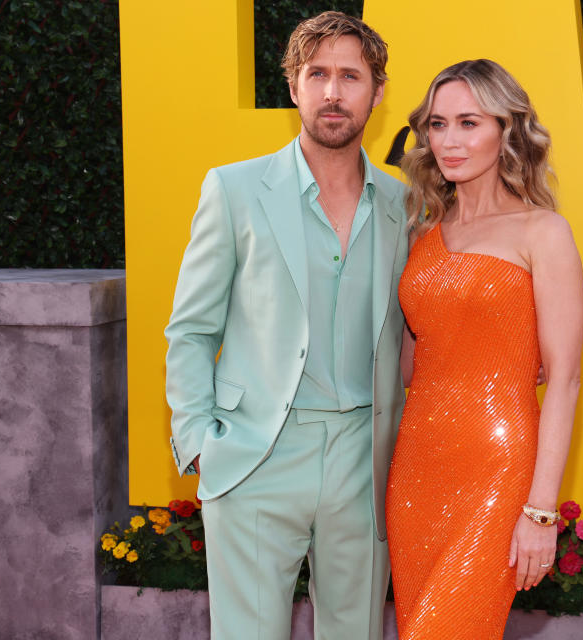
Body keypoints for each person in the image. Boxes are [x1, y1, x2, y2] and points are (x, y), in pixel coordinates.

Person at [164, 12, 408, 640]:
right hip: (256, 455)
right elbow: (191, 329)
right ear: (294, 88)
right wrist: (198, 439)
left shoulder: (407, 203)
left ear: (376, 93)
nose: (334, 92)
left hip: (364, 456)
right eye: (317, 74)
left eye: (350, 76)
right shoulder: (235, 189)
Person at [385, 59, 583, 639]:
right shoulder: (423, 233)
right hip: (417, 470)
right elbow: (409, 364)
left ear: (507, 131)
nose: (449, 140)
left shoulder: (542, 232)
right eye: (438, 124)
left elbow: (566, 379)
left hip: (497, 470)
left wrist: (541, 512)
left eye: (469, 122)